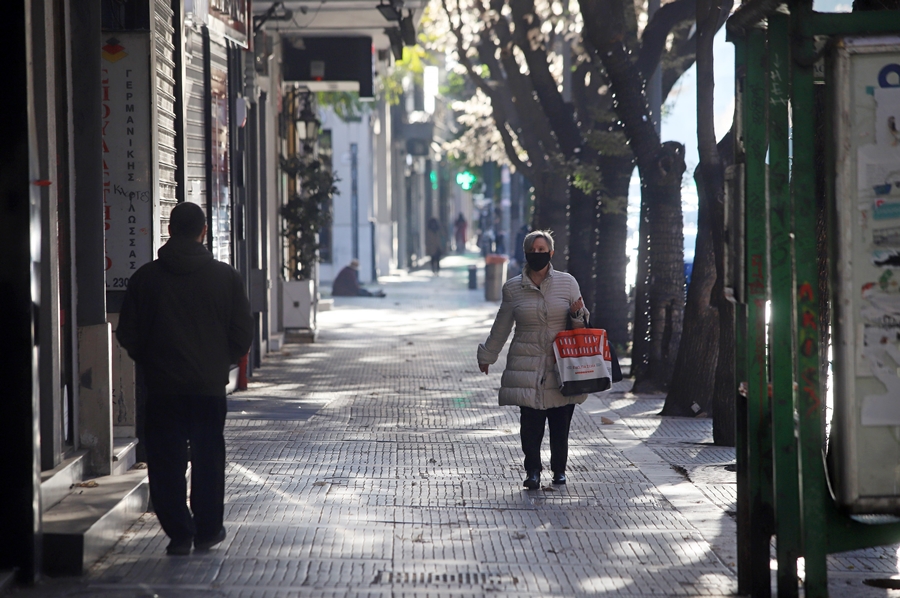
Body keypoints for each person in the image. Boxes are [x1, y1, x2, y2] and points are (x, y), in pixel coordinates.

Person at [116, 202, 253, 556]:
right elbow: (242, 334)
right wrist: (216, 363)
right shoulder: (226, 277)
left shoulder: (145, 279)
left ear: (170, 230)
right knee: (208, 459)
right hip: (208, 389)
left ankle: (178, 532)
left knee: (165, 461)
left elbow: (128, 333)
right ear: (203, 231)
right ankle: (208, 531)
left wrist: (151, 361)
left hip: (163, 389)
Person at [476, 230, 588, 490]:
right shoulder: (513, 288)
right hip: (527, 366)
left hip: (562, 366)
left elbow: (581, 325)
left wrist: (577, 314)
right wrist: (487, 355)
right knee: (531, 425)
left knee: (561, 423)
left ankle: (559, 470)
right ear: (526, 253)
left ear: (551, 253)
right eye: (532, 249)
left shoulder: (568, 283)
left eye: (542, 249)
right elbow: (501, 326)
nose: (537, 254)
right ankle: (533, 471)